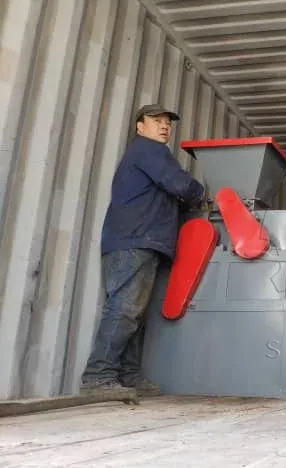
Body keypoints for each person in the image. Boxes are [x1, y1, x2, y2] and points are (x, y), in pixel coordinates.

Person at [80, 103, 206, 396]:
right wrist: (201, 195)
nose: (165, 126)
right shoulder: (148, 150)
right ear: (140, 126)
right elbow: (179, 184)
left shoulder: (148, 155)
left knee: (135, 312)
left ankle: (129, 375)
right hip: (133, 241)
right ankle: (98, 376)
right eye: (157, 120)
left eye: (168, 122)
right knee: (125, 309)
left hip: (140, 242)